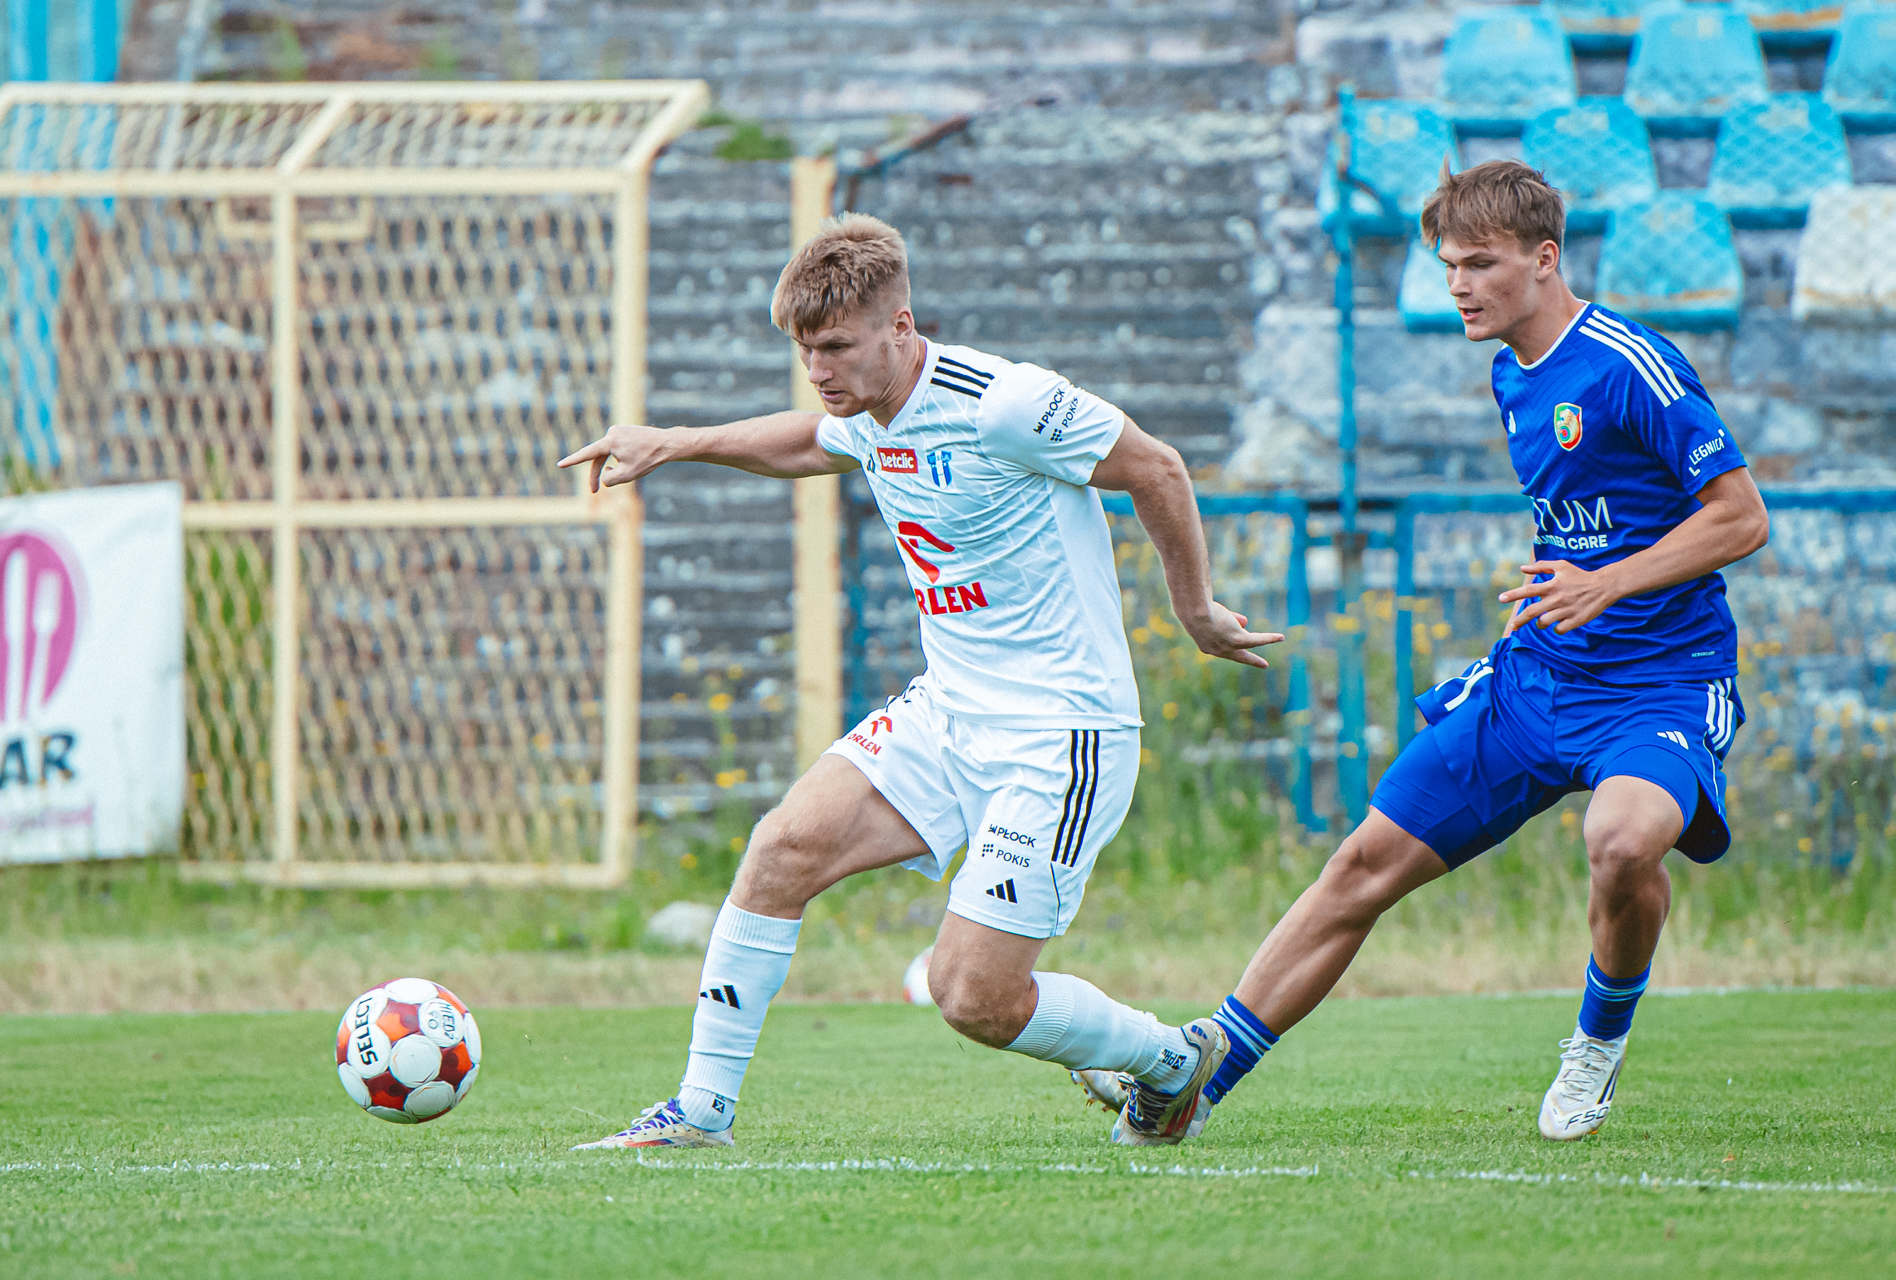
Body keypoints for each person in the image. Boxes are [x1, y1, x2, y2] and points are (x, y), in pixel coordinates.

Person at [559, 213, 1284, 1149]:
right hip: (949, 712)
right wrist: (673, 442)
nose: (818, 370)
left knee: (973, 998)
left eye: (835, 348)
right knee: (781, 848)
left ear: (901, 327)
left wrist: (1194, 610)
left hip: (1060, 735)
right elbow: (809, 443)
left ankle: (1170, 1062)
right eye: (804, 350)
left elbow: (1158, 467)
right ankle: (699, 1114)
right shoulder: (868, 413)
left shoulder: (1004, 404)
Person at [1078, 160, 1769, 1142]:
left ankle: (1597, 1043)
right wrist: (1567, 584)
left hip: (1659, 682)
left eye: (1480, 264)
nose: (1458, 286)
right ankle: (1194, 1081)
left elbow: (1741, 516)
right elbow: (1589, 516)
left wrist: (1605, 583)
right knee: (1363, 862)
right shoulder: (1510, 370)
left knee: (1621, 842)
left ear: (1544, 259)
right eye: (1449, 265)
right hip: (1539, 675)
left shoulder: (1629, 364)